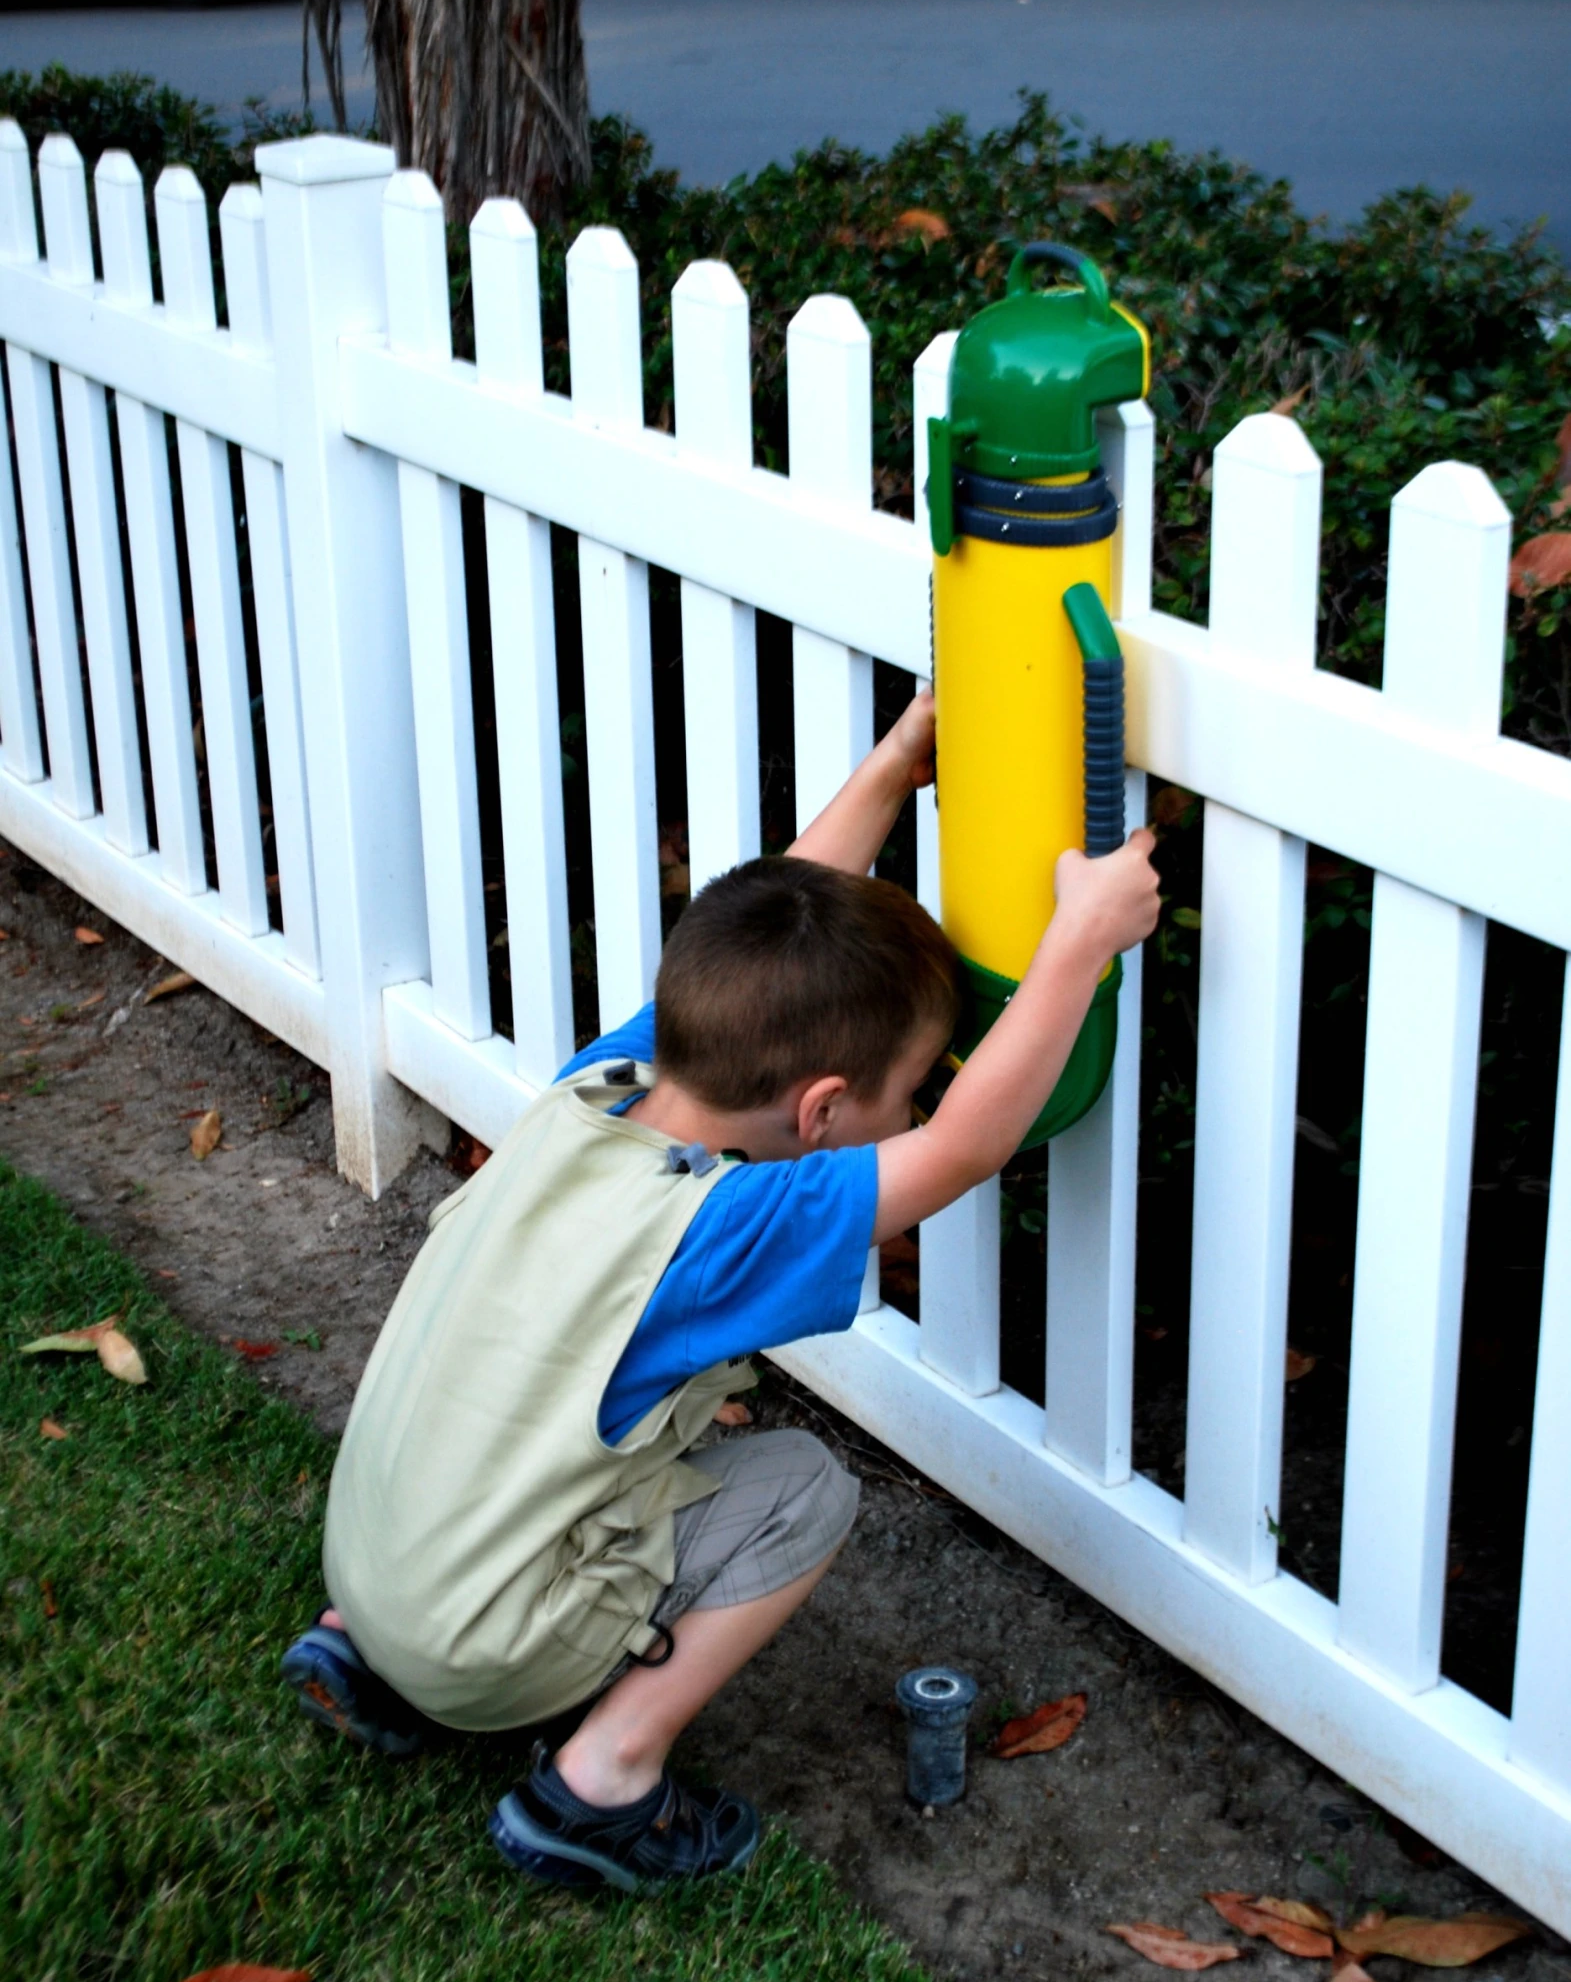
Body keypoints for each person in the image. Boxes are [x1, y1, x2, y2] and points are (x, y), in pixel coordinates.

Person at [281, 689, 1160, 1895]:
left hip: (367, 1575)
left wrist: (900, 763)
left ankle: (375, 1662)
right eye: (901, 1088)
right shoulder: (722, 1227)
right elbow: (961, 1149)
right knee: (797, 1490)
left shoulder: (601, 1089)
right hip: (480, 1648)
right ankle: (600, 1786)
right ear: (820, 1113)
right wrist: (1079, 942)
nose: (907, 1111)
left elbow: (781, 918)